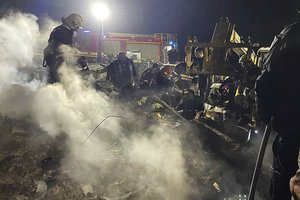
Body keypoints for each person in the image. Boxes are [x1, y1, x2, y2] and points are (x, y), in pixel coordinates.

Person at [255, 20, 300, 200]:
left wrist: (266, 113)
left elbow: (266, 81)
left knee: (284, 178)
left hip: (291, 124)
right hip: (292, 122)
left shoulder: (291, 35)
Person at [43, 13, 84, 83]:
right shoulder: (60, 31)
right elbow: (62, 47)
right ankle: (54, 92)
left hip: (56, 57)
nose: (77, 30)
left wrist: (77, 53)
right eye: (77, 27)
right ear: (73, 23)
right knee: (57, 80)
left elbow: (69, 46)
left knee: (58, 79)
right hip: (55, 59)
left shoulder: (64, 31)